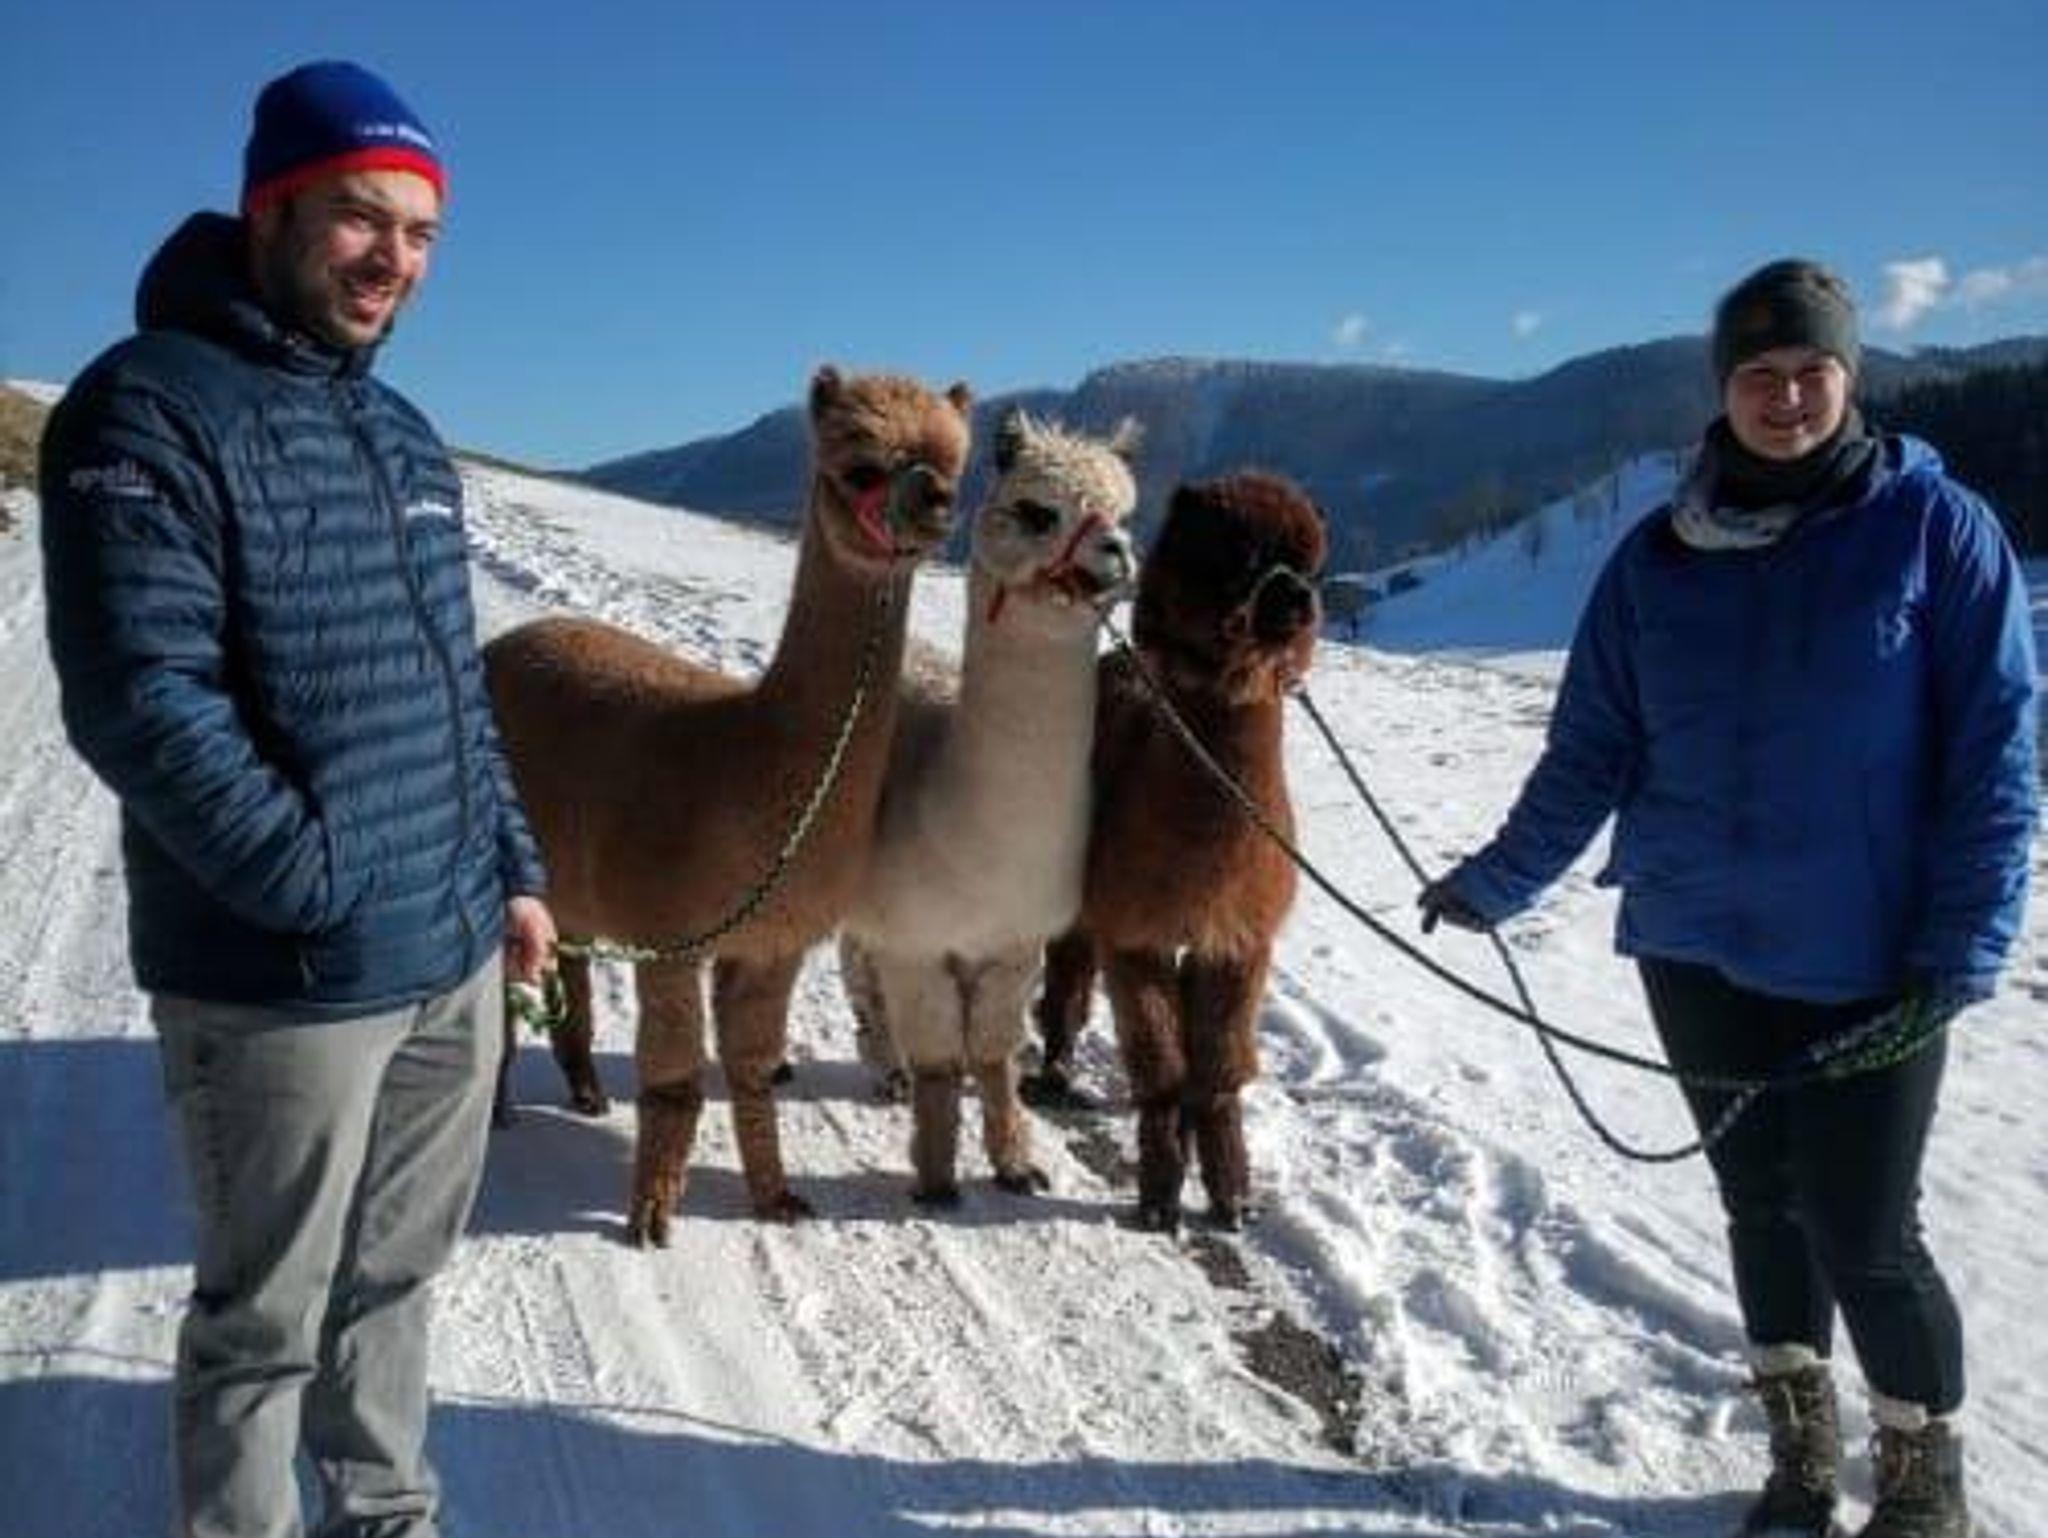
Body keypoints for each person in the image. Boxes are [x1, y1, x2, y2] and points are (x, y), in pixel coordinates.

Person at [1419, 259, 2036, 1538]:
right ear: (1721, 389)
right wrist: (1495, 880)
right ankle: (1799, 1453)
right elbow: (1589, 751)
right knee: (1759, 1205)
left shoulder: (1935, 529)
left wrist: (1963, 944)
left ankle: (1922, 1478)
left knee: (1865, 1229)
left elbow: (1994, 753)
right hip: (1692, 942)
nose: (1785, 395)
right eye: (1758, 372)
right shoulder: (1653, 560)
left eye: (1810, 369)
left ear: (1848, 377)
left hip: (1871, 959)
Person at [39, 61, 556, 1538]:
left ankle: (388, 1514)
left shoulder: (400, 435)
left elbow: (453, 687)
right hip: (283, 979)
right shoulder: (145, 409)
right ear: (268, 211)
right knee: (266, 1318)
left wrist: (511, 867)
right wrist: (309, 883)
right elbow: (140, 698)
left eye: (420, 232)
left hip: (449, 955)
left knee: (394, 1283)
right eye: (359, 217)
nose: (394, 257)